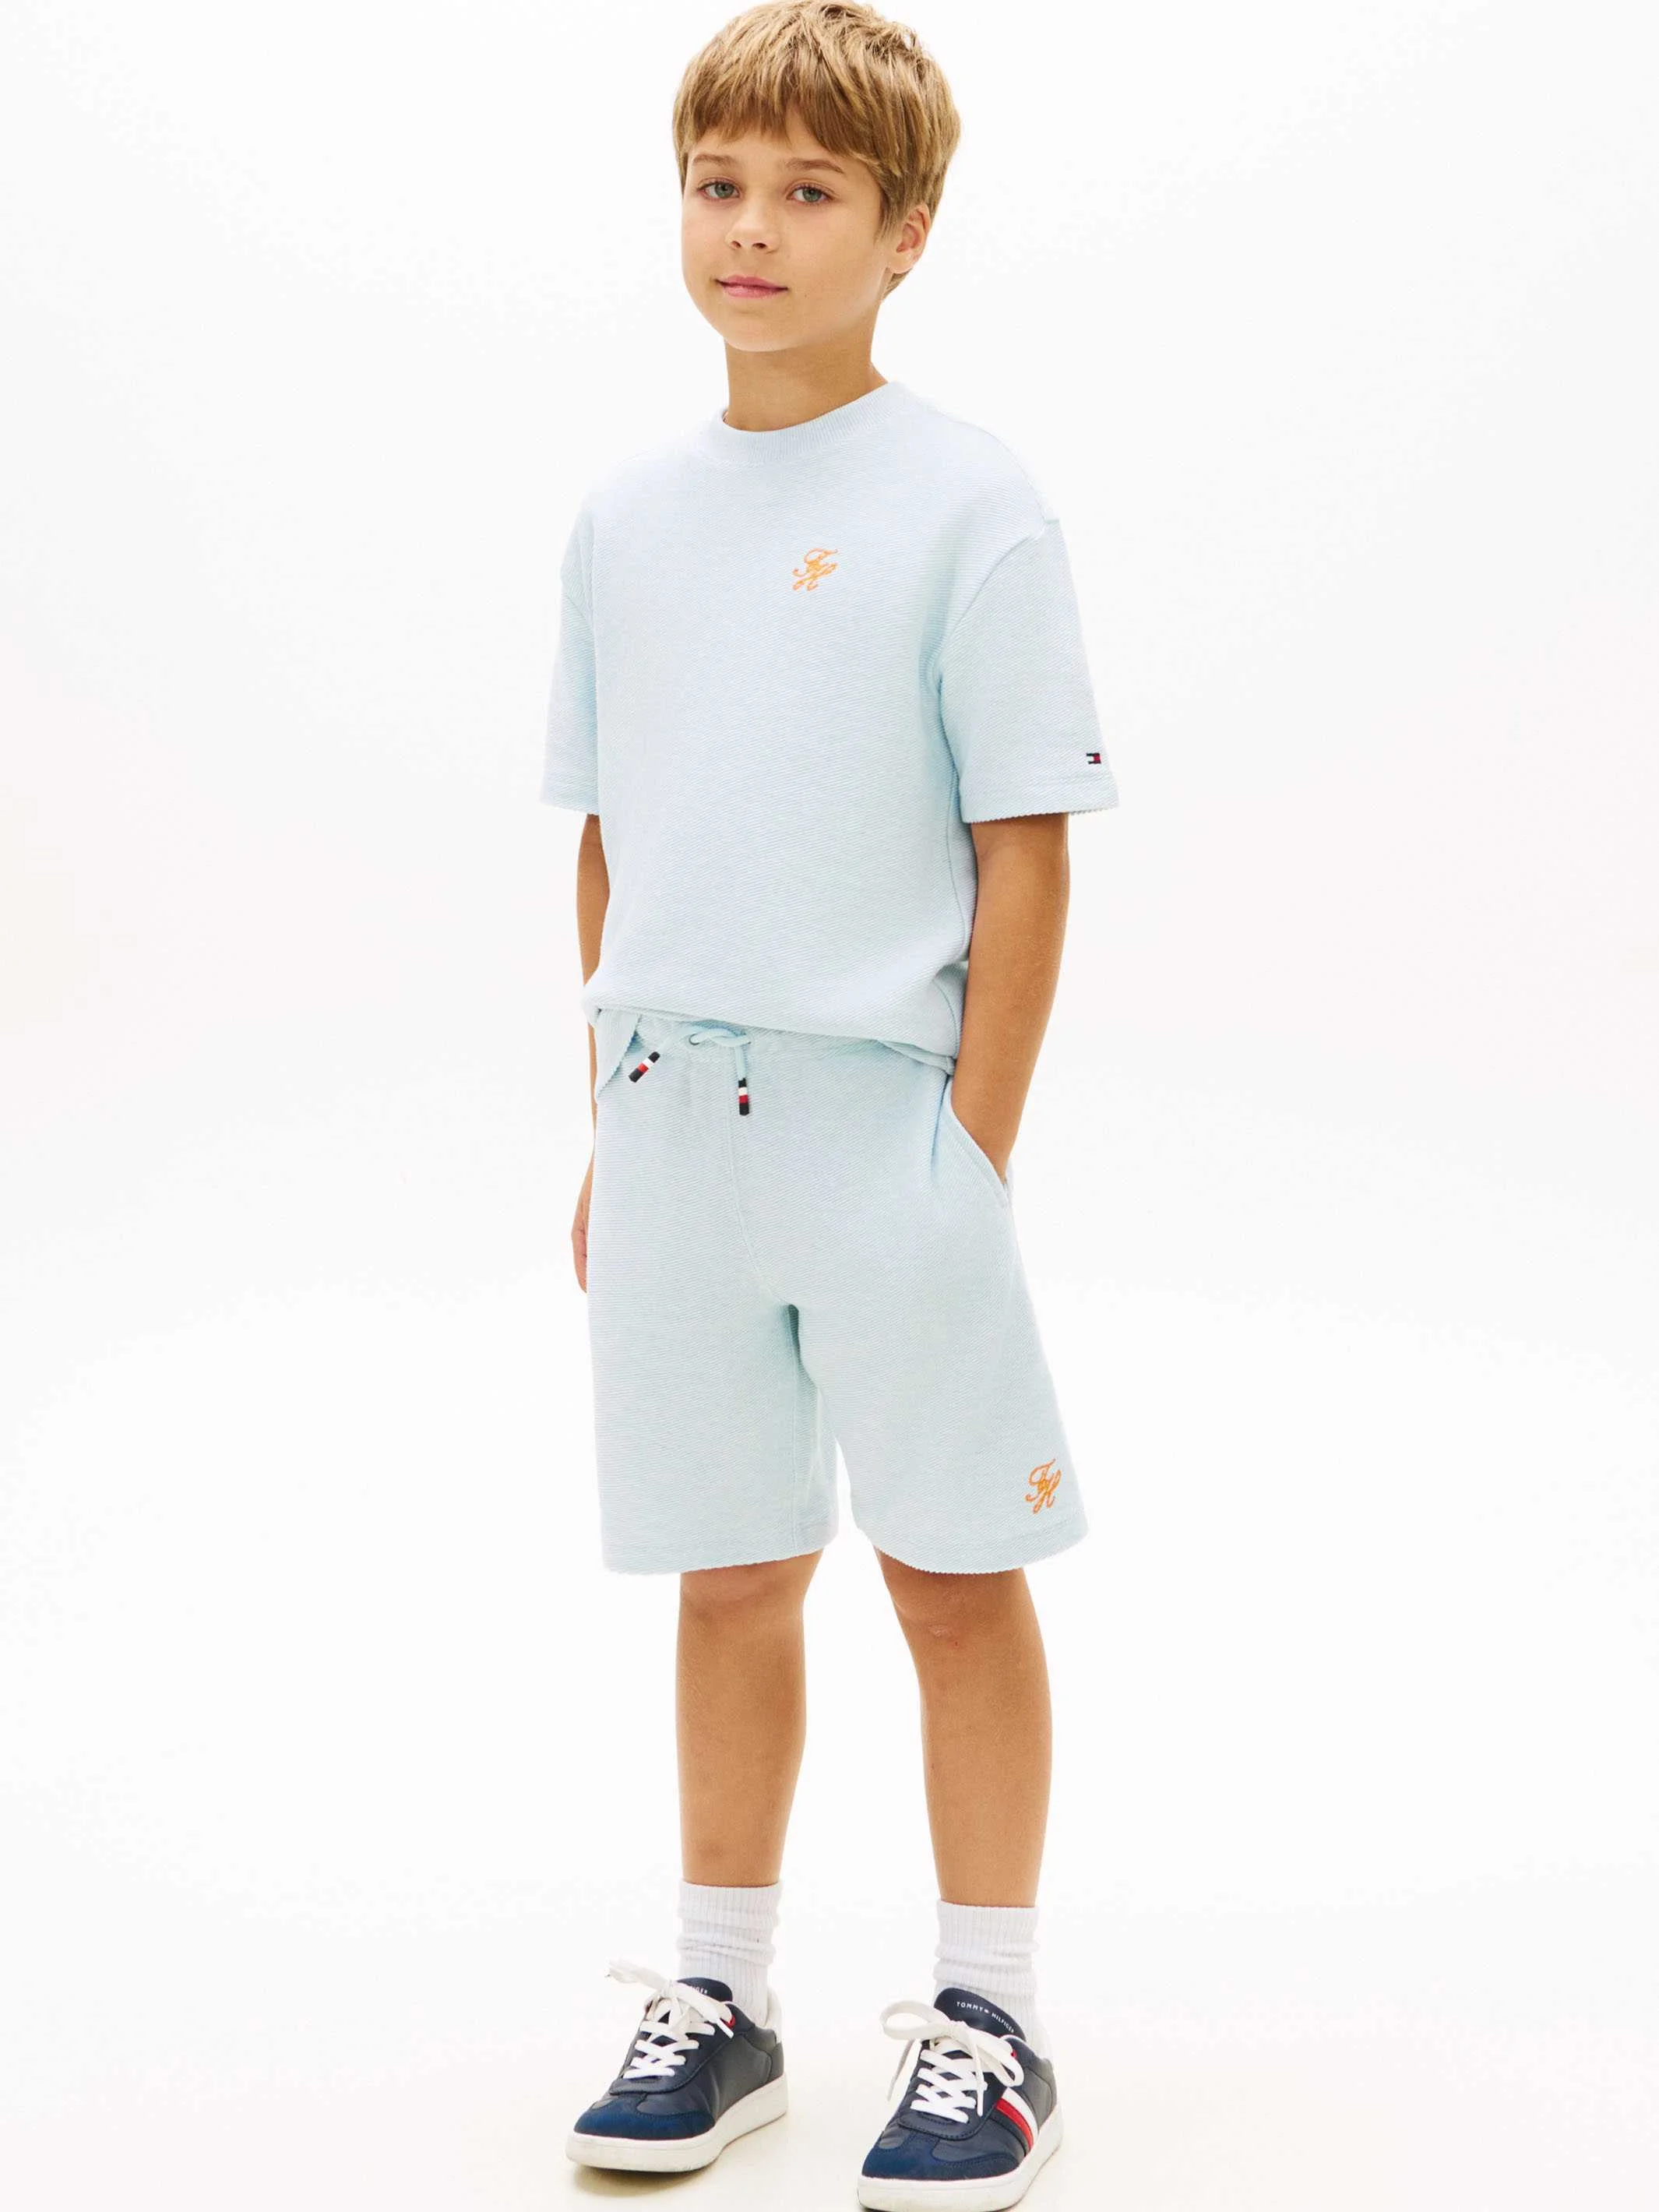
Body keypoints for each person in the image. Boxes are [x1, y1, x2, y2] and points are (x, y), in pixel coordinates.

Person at [541, 5, 1118, 2203]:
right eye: (720, 185)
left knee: (956, 1576)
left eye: (809, 192)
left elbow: (1023, 841)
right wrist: (608, 1127)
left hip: (891, 1122)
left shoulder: (966, 497)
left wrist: (972, 1147)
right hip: (677, 1121)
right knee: (729, 1573)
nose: (753, 232)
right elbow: (613, 838)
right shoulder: (626, 519)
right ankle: (723, 1995)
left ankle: (993, 2014)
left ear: (908, 230)